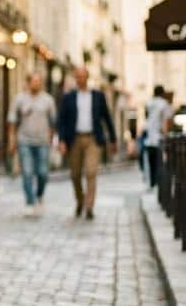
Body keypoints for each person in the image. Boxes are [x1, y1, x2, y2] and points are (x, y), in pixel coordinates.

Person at [57, 66, 117, 220]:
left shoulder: (98, 96)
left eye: (83, 76)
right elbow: (61, 121)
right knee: (75, 174)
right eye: (78, 76)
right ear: (75, 78)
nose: (80, 79)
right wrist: (61, 140)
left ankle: (89, 206)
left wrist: (112, 139)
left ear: (88, 77)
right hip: (74, 139)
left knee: (91, 172)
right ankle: (80, 201)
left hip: (93, 139)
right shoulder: (68, 97)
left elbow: (107, 118)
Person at [8, 72, 56, 217]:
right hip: (24, 141)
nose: (36, 84)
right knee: (27, 172)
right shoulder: (19, 99)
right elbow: (12, 121)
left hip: (42, 142)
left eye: (38, 81)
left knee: (43, 173)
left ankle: (39, 194)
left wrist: (51, 139)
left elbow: (52, 122)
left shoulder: (48, 100)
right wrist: (12, 140)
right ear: (28, 82)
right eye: (33, 81)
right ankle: (30, 202)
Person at [143, 85, 173, 189]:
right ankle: (157, 183)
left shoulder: (149, 102)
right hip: (158, 137)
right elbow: (166, 121)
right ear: (162, 93)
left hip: (148, 136)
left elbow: (146, 117)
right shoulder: (164, 104)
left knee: (150, 161)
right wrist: (166, 134)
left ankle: (151, 183)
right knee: (159, 161)